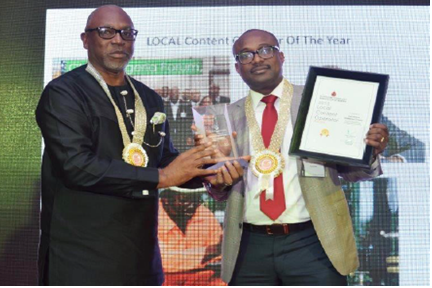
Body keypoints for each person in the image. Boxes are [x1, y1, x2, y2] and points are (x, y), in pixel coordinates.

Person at [35, 5, 220, 285]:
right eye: (106, 32)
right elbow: (76, 166)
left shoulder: (149, 99)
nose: (118, 39)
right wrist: (162, 177)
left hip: (140, 260)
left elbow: (165, 161)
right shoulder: (64, 93)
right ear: (86, 40)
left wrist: (212, 167)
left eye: (126, 33)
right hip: (81, 259)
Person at [202, 29, 390, 286]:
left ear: (281, 56)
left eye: (265, 50)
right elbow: (219, 191)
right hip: (248, 245)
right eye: (245, 55)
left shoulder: (318, 102)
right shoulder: (225, 117)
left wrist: (369, 151)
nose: (257, 59)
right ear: (237, 68)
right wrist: (218, 180)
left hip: (314, 240)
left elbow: (354, 172)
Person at [158, 189, 225, 286]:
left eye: (196, 200)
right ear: (166, 200)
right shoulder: (149, 216)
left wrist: (214, 252)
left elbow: (219, 256)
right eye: (184, 200)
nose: (192, 205)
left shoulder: (204, 214)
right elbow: (158, 261)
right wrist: (209, 252)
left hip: (198, 276)